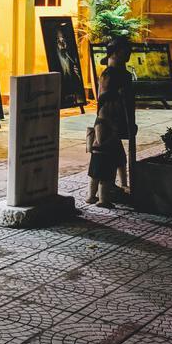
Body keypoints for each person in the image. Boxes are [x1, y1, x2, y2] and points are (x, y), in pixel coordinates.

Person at [88, 37, 137, 207]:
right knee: (105, 164)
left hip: (113, 123)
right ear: (116, 52)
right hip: (108, 123)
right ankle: (102, 198)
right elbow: (104, 99)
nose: (129, 53)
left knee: (115, 158)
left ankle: (117, 188)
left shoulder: (122, 74)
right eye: (125, 50)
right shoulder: (110, 74)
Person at [55, 24, 84, 103]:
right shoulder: (55, 60)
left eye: (63, 40)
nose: (62, 44)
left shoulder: (73, 57)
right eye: (58, 41)